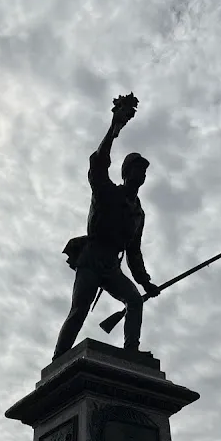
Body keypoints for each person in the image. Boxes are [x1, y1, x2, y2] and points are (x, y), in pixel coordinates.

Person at [52, 97, 161, 360]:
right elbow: (99, 164)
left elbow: (134, 251)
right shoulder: (107, 192)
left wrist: (145, 282)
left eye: (144, 171)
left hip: (112, 265)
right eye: (137, 169)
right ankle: (59, 359)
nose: (142, 174)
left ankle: (131, 351)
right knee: (79, 310)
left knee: (134, 300)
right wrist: (114, 128)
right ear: (126, 173)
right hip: (92, 258)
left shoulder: (138, 213)